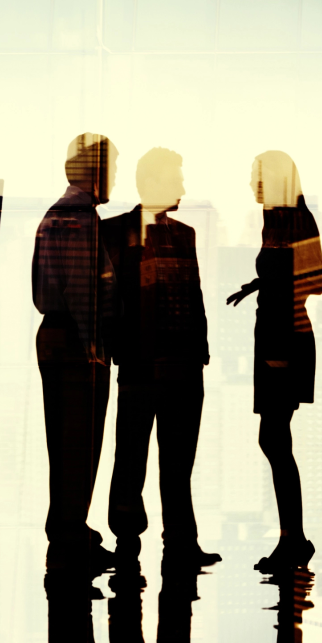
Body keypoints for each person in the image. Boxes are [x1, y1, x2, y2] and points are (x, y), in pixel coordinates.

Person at [102, 148, 218, 571]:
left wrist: (200, 353)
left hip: (184, 366)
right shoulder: (114, 232)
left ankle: (179, 541)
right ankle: (129, 539)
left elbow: (195, 295)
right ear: (151, 182)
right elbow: (109, 299)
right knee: (131, 458)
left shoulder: (184, 235)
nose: (183, 187)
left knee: (177, 462)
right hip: (140, 364)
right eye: (176, 179)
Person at [227, 151, 322, 572]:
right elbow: (283, 273)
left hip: (285, 337)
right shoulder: (275, 221)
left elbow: (315, 280)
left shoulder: (296, 219)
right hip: (272, 334)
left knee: (274, 439)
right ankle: (293, 537)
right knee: (274, 439)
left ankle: (294, 538)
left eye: (259, 177)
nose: (253, 185)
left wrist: (272, 286)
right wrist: (257, 285)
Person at [34, 133, 123, 589]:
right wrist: (94, 349)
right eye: (111, 168)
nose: (115, 177)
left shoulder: (59, 213)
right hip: (76, 345)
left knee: (67, 447)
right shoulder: (78, 217)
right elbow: (80, 288)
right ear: (93, 171)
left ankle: (70, 533)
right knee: (78, 448)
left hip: (60, 340)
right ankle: (69, 539)